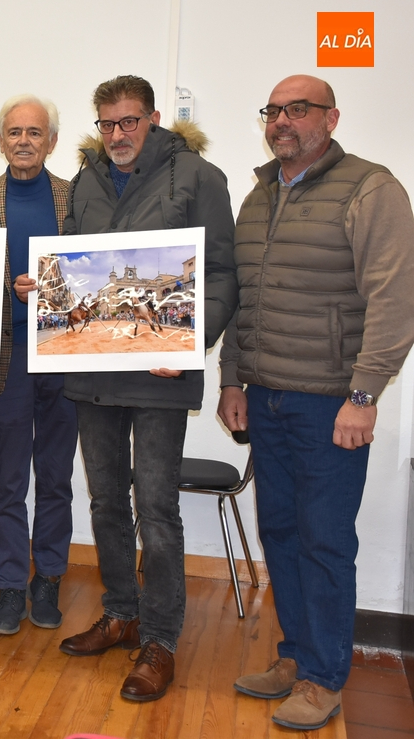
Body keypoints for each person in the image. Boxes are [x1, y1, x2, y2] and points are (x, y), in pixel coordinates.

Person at [216, 75, 414, 731]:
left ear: (330, 118)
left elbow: (394, 298)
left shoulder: (370, 188)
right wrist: (232, 379)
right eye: (273, 110)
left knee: (325, 541)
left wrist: (365, 394)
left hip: (331, 404)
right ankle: (294, 656)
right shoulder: (258, 195)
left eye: (297, 110)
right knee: (281, 532)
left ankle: (325, 677)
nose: (282, 121)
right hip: (266, 398)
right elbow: (242, 297)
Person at [54, 75, 237, 701]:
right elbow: (78, 269)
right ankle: (121, 613)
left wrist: (188, 342)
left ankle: (159, 639)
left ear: (153, 119)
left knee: (155, 509)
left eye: (129, 122)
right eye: (107, 124)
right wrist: (44, 291)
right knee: (106, 501)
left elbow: (220, 275)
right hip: (95, 372)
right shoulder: (86, 180)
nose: (117, 135)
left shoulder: (198, 178)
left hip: (161, 373)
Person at [0, 95, 77, 635]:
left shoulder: (77, 197)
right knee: (9, 480)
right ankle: (12, 586)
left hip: (65, 356)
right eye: (14, 132)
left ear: (52, 141)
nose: (23, 141)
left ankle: (49, 580)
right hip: (9, 358)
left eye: (34, 133)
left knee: (56, 477)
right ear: (1, 140)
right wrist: (5, 289)